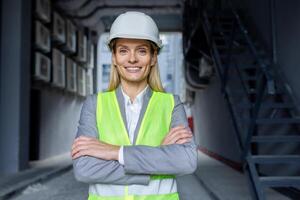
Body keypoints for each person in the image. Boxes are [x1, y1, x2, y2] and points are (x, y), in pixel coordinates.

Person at [71, 11, 197, 200]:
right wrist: (157, 158)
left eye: (142, 50)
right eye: (123, 50)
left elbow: (186, 161)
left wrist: (114, 152)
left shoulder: (171, 104)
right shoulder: (94, 105)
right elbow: (84, 170)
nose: (132, 59)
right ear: (113, 57)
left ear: (153, 57)